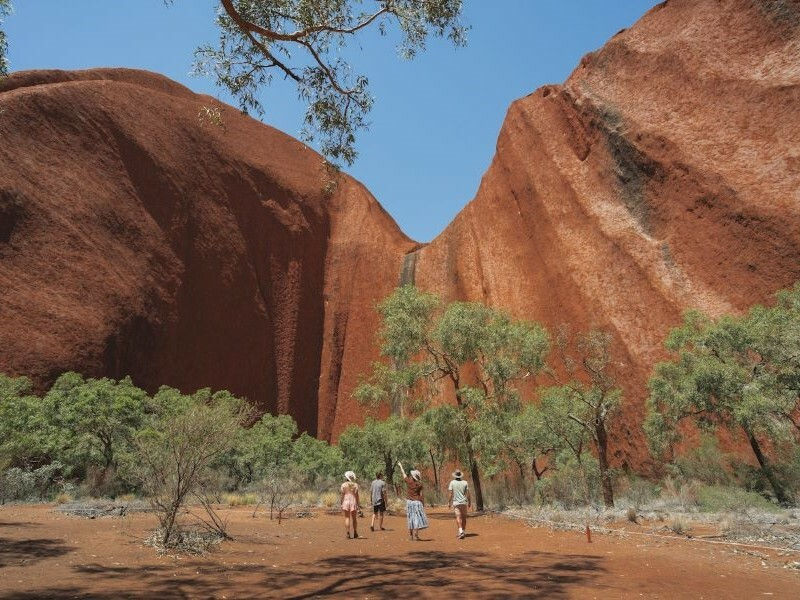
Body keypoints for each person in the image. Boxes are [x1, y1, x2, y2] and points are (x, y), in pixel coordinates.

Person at [396, 460, 428, 541]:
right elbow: (421, 495)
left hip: (409, 502)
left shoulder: (409, 481)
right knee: (416, 518)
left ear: (412, 476)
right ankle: (416, 535)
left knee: (410, 518)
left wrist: (400, 466)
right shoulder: (420, 485)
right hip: (417, 502)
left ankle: (411, 536)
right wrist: (423, 503)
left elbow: (403, 474)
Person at [448, 470, 472, 539]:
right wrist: (469, 502)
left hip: (456, 503)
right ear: (460, 476)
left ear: (455, 476)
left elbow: (450, 493)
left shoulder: (452, 482)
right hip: (464, 502)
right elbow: (468, 493)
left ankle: (461, 531)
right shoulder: (465, 482)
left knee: (458, 517)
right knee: (464, 517)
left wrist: (449, 502)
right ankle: (463, 531)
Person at [340, 471, 361, 539]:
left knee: (347, 517)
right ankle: (355, 532)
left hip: (346, 501)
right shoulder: (355, 485)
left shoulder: (343, 485)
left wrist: (341, 502)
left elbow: (342, 494)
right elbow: (357, 495)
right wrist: (358, 503)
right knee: (354, 518)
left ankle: (348, 533)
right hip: (353, 501)